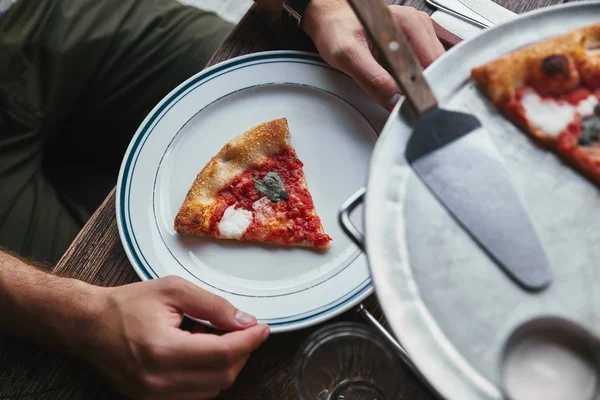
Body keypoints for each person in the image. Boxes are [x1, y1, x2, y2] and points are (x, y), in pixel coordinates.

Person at [0, 0, 444, 398]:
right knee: (88, 274)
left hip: (41, 13)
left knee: (262, 61)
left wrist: (315, 5)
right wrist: (79, 315)